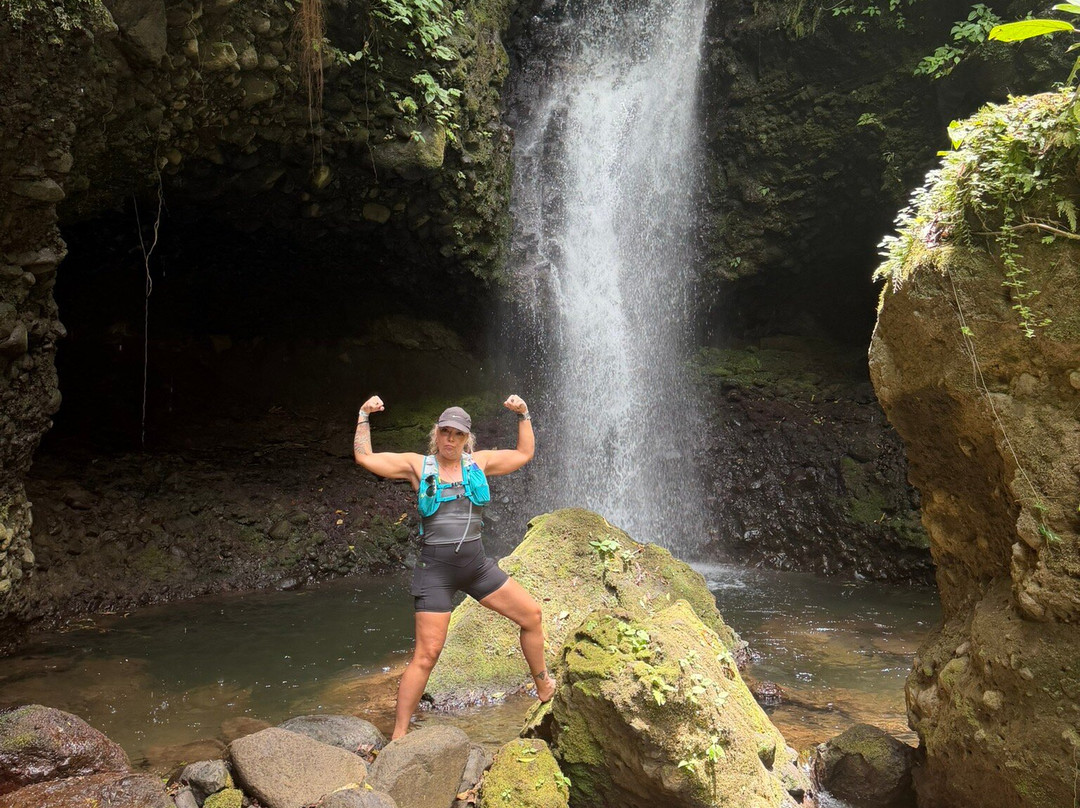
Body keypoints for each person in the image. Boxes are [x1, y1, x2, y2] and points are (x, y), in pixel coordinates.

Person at [353, 393, 554, 740]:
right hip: (435, 572)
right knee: (426, 655)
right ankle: (399, 736)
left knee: (532, 616)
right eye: (445, 432)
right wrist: (363, 416)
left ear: (466, 439)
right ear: (437, 434)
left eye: (458, 434)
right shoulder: (419, 466)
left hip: (476, 566)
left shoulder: (480, 463)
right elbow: (365, 457)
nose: (450, 439)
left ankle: (544, 685)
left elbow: (524, 454)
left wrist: (524, 415)